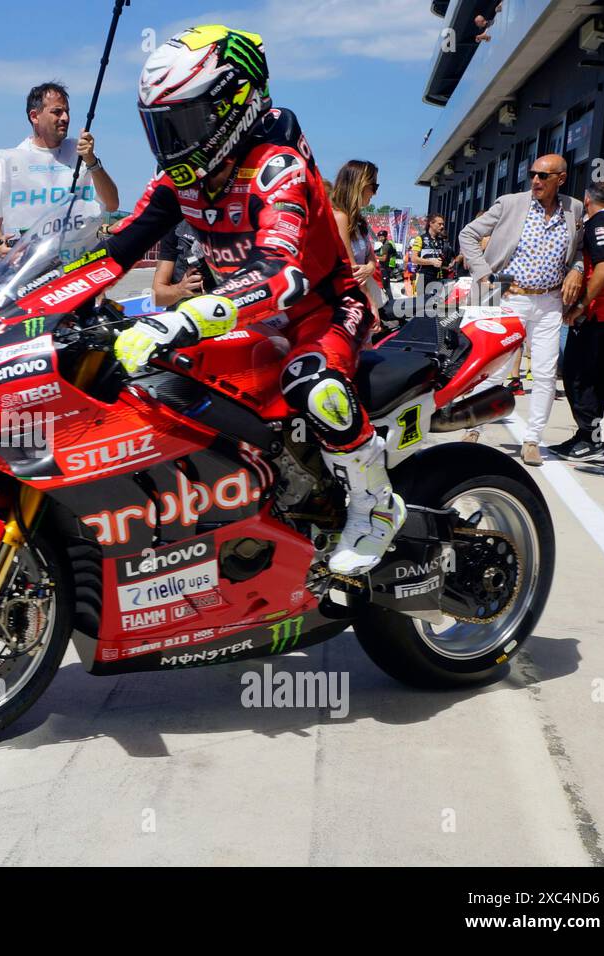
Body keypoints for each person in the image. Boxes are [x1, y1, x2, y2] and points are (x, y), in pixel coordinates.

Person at [105, 25, 404, 576]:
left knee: (314, 386)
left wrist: (186, 317)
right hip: (245, 311)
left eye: (184, 122)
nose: (171, 141)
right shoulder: (182, 178)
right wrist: (34, 299)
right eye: (160, 126)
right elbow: (116, 247)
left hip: (323, 306)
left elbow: (283, 271)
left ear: (234, 105)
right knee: (163, 376)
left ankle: (376, 506)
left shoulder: (276, 166)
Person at [459, 154, 585, 465]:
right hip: (508, 298)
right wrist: (484, 274)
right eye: (533, 174)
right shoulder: (511, 203)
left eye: (544, 176)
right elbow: (468, 235)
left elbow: (580, 250)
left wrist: (578, 268)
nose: (536, 181)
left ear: (561, 179)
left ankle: (533, 439)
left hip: (549, 302)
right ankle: (474, 426)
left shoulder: (575, 209)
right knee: (495, 368)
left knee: (544, 373)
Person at [550, 180, 604, 461]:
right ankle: (587, 436)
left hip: (599, 313)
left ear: (587, 199)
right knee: (592, 377)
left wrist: (581, 305)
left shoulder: (601, 223)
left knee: (578, 377)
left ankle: (591, 439)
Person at [0, 82, 119, 258]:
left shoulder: (83, 152)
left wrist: (92, 161)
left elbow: (112, 204)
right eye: (57, 112)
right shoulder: (8, 160)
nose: (65, 118)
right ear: (34, 116)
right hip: (29, 273)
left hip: (78, 273)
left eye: (67, 111)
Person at [329, 160, 384, 314]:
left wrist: (370, 267)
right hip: (343, 303)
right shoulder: (338, 217)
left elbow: (371, 257)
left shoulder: (360, 222)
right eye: (373, 186)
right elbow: (353, 271)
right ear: (359, 185)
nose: (375, 193)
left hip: (357, 298)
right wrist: (371, 305)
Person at [150, 221, 210, 308]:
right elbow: (157, 297)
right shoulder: (176, 228)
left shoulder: (234, 226)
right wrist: (180, 289)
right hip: (183, 314)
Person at [408, 214, 451, 305]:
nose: (442, 226)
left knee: (435, 306)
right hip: (423, 276)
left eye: (443, 224)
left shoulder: (441, 241)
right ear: (431, 224)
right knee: (420, 306)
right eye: (439, 224)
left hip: (438, 277)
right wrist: (431, 261)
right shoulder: (420, 239)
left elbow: (441, 260)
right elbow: (414, 259)